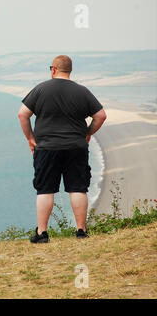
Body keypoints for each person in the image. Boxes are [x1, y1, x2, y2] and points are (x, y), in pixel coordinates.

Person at [18, 55, 107, 243]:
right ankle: (81, 231)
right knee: (78, 189)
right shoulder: (82, 91)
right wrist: (88, 133)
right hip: (76, 147)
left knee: (45, 190)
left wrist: (30, 138)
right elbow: (101, 116)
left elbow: (22, 114)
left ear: (53, 69)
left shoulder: (41, 89)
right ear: (70, 70)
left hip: (46, 148)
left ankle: (42, 233)